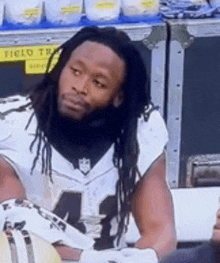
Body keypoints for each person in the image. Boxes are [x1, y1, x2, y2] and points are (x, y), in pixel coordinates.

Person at [0, 26, 176, 262]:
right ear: (61, 68)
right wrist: (87, 259)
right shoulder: (12, 125)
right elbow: (14, 230)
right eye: (75, 71)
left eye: (99, 83)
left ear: (118, 97)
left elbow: (160, 229)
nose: (80, 87)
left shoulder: (140, 128)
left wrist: (145, 256)